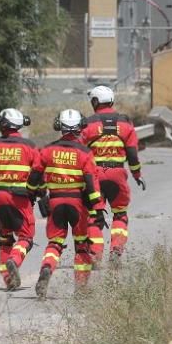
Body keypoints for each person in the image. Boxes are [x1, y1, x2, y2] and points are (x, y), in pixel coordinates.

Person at [28, 110, 105, 299]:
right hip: (78, 204)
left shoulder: (46, 150)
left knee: (55, 243)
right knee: (81, 246)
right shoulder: (85, 153)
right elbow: (91, 183)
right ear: (80, 128)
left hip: (55, 202)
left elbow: (34, 177)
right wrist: (98, 208)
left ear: (59, 126)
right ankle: (81, 288)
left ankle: (47, 268)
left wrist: (36, 195)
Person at [0, 109, 41, 290]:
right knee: (26, 237)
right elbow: (38, 174)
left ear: (2, 125)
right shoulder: (30, 146)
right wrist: (39, 194)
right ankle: (15, 259)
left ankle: (8, 279)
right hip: (21, 199)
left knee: (5, 238)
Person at [80, 85, 145, 262]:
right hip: (118, 174)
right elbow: (132, 153)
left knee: (93, 215)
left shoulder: (88, 123)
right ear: (111, 101)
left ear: (95, 102)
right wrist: (137, 175)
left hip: (95, 177)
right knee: (120, 214)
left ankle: (95, 254)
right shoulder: (125, 123)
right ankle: (116, 249)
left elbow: (79, 153)